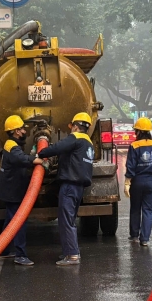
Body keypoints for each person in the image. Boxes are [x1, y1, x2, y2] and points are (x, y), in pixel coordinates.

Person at [38, 112, 95, 266]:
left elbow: (58, 147)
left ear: (76, 126)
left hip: (69, 185)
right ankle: (71, 251)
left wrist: (41, 152)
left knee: (65, 221)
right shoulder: (89, 143)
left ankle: (72, 255)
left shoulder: (75, 138)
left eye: (72, 126)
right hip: (79, 187)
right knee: (70, 220)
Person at [0, 115, 44, 266]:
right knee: (19, 222)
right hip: (13, 191)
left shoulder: (12, 144)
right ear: (16, 131)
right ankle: (20, 255)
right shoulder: (11, 145)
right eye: (22, 128)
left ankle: (4, 250)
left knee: (10, 221)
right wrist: (36, 160)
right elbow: (20, 159)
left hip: (11, 190)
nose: (25, 131)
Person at [125, 117, 152, 247]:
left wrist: (127, 182)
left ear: (139, 131)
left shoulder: (134, 146)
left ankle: (134, 235)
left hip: (137, 181)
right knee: (149, 210)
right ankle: (144, 239)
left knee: (135, 208)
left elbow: (130, 166)